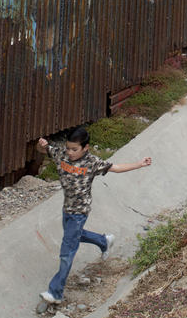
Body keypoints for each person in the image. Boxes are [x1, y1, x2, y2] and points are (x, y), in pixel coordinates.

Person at [37, 126, 152, 305]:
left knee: (67, 252)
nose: (70, 152)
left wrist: (140, 164)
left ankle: (56, 292)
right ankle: (103, 241)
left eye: (75, 149)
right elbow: (43, 149)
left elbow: (116, 167)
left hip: (80, 212)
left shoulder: (92, 163)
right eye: (68, 148)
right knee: (75, 235)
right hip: (66, 208)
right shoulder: (61, 155)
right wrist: (41, 145)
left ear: (86, 147)